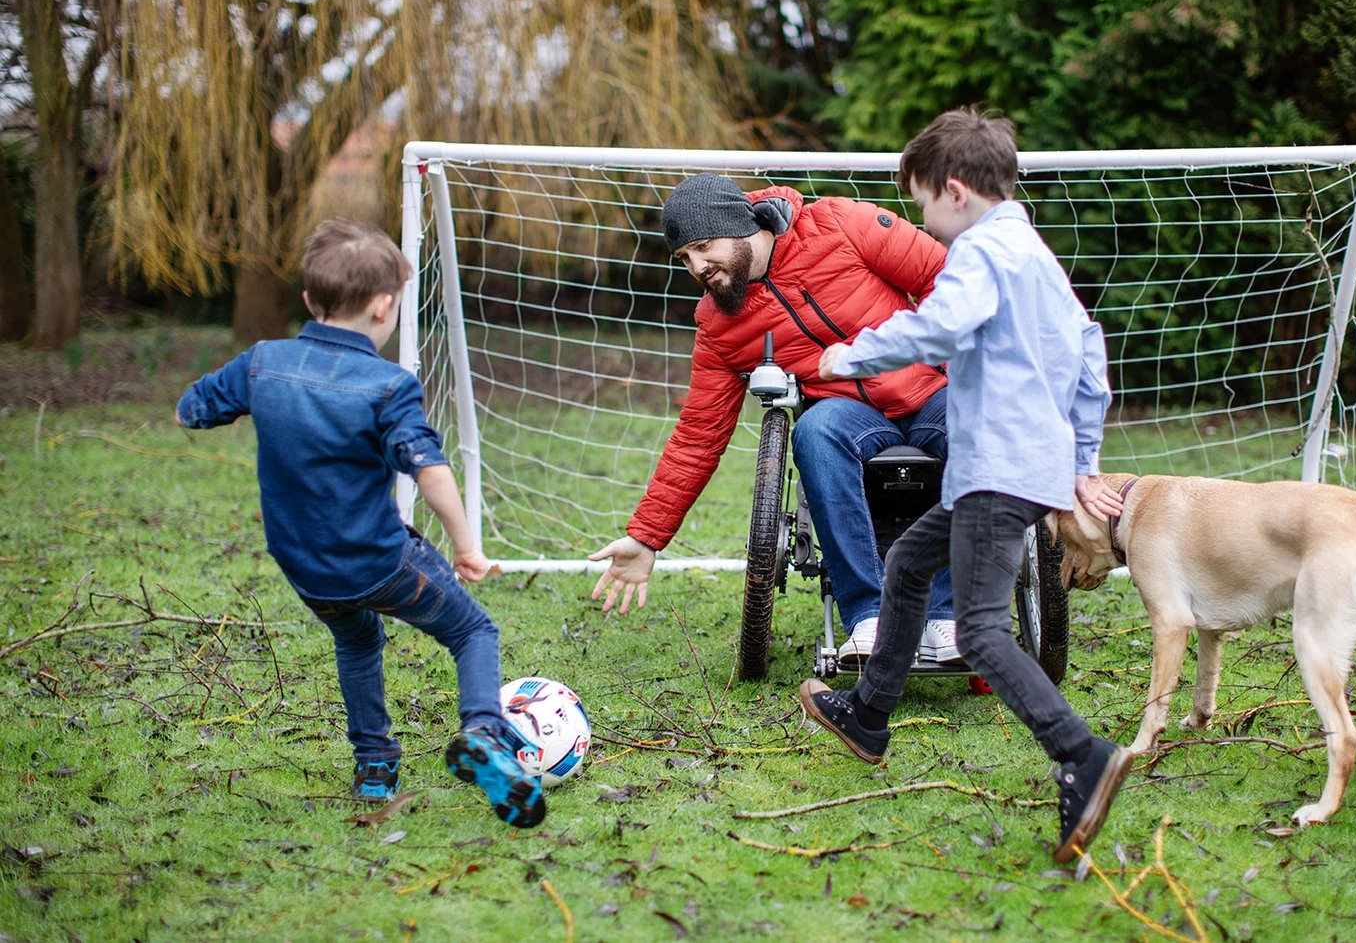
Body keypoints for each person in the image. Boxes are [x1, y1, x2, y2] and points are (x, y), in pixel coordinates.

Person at [799, 108, 1131, 864]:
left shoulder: (981, 251)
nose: (927, 223)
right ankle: (870, 714)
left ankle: (1081, 752)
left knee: (981, 630)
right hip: (1024, 460)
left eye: (921, 205)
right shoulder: (1032, 250)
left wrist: (844, 359)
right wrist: (1078, 457)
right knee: (911, 564)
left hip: (996, 465)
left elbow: (940, 327)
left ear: (953, 191)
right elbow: (1089, 351)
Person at [174, 217, 545, 828]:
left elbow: (191, 410)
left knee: (356, 640)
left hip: (305, 568)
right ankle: (486, 734)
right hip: (380, 562)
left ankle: (375, 766)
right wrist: (465, 546)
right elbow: (430, 471)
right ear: (384, 306)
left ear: (308, 301)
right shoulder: (388, 385)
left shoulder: (263, 363)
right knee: (473, 633)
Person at [587, 174, 962, 666]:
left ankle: (948, 618)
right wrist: (646, 537)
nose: (697, 266)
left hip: (932, 388)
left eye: (704, 246)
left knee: (975, 417)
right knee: (815, 429)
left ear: (741, 225)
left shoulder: (841, 224)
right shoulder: (720, 325)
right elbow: (698, 436)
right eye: (684, 258)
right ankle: (870, 618)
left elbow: (951, 278)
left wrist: (954, 363)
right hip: (849, 418)